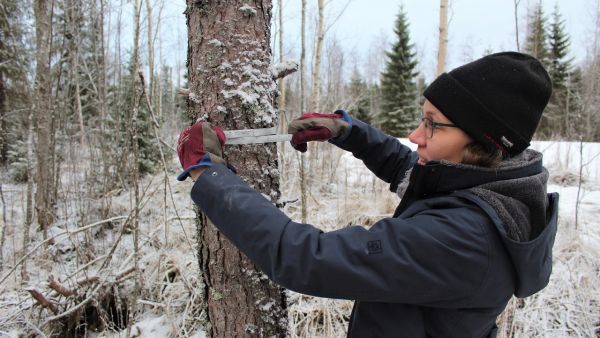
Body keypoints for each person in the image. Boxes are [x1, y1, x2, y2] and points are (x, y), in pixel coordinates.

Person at [176, 52, 558, 337]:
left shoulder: (460, 240)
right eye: (422, 118)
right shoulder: (497, 191)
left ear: (482, 141)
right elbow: (411, 173)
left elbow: (305, 258)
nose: (415, 135)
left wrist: (207, 174)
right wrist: (349, 133)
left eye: (433, 126)